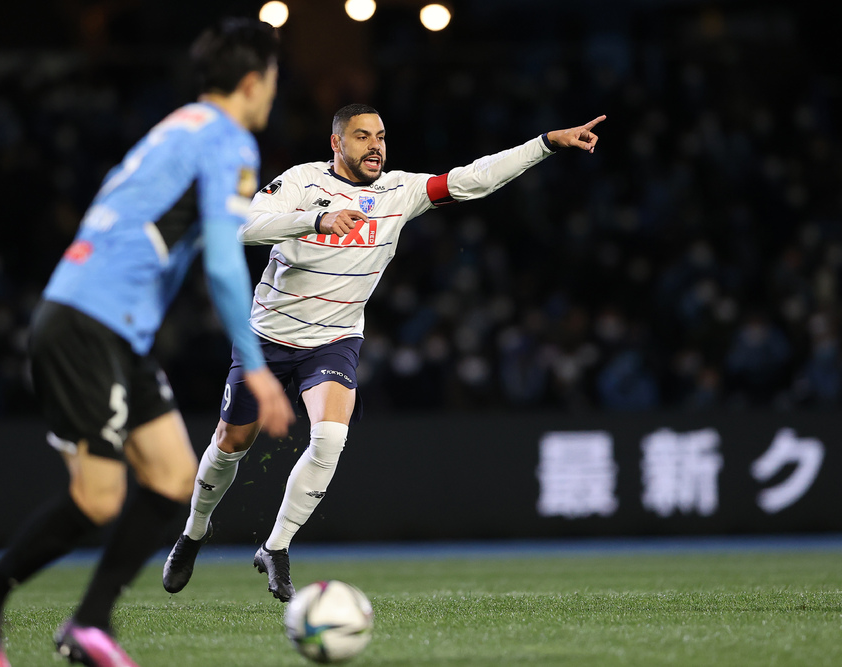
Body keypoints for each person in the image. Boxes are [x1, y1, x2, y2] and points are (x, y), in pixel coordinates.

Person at [0, 18, 294, 667]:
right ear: (252, 82)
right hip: (89, 323)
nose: (275, 92)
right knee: (98, 497)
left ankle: (88, 624)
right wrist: (256, 367)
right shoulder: (229, 140)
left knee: (172, 476)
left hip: (103, 323)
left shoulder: (177, 126)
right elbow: (224, 263)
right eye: (273, 78)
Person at [162, 103, 605, 601]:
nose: (375, 146)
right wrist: (317, 219)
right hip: (268, 337)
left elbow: (473, 178)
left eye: (381, 137)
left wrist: (545, 144)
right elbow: (240, 227)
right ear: (336, 143)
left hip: (335, 339)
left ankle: (276, 547)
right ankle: (194, 532)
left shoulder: (400, 191)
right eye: (362, 137)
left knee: (330, 437)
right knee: (231, 443)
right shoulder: (303, 182)